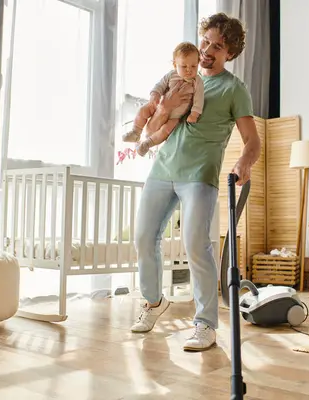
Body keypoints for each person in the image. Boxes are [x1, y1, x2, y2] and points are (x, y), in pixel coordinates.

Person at [131, 13, 261, 352]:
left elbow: (253, 141)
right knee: (144, 237)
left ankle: (205, 324)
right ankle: (153, 302)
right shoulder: (178, 78)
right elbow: (153, 128)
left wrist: (244, 161)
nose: (206, 50)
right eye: (205, 41)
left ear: (230, 53)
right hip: (162, 169)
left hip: (200, 176)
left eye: (217, 46)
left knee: (196, 245)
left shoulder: (234, 89)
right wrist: (164, 109)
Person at [122, 42, 205, 157]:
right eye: (184, 66)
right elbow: (160, 85)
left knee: (166, 129)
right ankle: (136, 131)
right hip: (159, 107)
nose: (189, 70)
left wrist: (194, 114)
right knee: (144, 110)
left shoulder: (197, 81)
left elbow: (199, 99)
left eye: (193, 66)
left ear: (198, 64)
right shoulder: (171, 75)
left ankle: (147, 144)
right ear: (175, 65)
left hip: (176, 116)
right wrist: (155, 95)